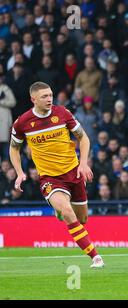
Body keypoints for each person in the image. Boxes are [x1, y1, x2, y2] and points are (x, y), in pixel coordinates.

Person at [9, 81, 104, 268]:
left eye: (51, 95)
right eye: (44, 96)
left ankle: (59, 210)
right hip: (50, 178)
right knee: (68, 212)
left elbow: (83, 138)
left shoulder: (63, 113)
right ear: (33, 99)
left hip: (73, 172)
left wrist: (83, 164)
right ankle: (96, 257)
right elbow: (14, 148)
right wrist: (19, 173)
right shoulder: (22, 122)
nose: (49, 99)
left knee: (82, 219)